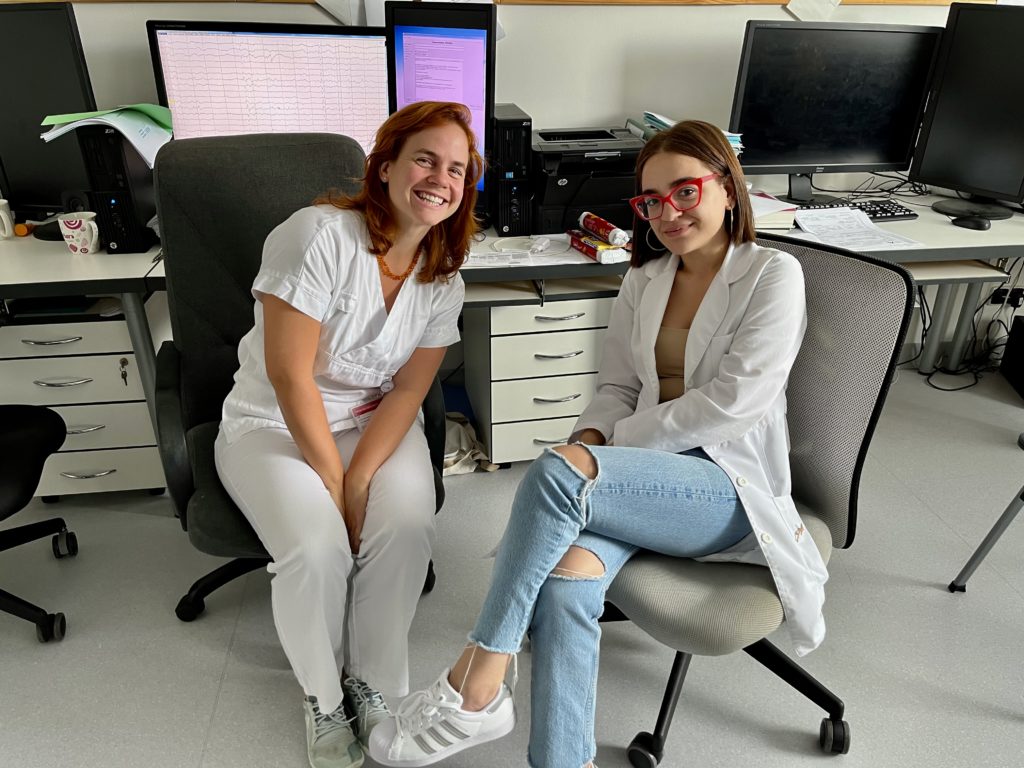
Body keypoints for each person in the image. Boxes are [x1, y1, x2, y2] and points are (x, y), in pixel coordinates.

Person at [368, 120, 830, 768]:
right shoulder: (644, 281)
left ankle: (477, 683)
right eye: (650, 200)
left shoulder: (772, 275)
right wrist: (591, 439)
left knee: (562, 476)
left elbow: (732, 405)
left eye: (686, 192)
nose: (667, 212)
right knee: (563, 585)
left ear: (727, 186)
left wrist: (598, 455)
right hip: (637, 480)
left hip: (726, 490)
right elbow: (616, 385)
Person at [213, 101, 483, 768]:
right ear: (386, 166)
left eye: (456, 169)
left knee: (407, 527)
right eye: (425, 158)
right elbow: (288, 376)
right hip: (272, 420)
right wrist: (337, 485)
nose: (439, 178)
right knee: (316, 546)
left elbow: (413, 390)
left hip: (369, 421)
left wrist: (363, 475)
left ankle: (374, 683)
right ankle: (324, 695)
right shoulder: (318, 236)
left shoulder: (442, 275)